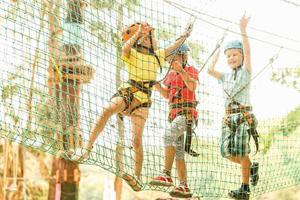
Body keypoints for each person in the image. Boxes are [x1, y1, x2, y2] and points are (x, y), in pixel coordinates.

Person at [74, 22, 194, 192]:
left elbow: (175, 46)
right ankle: (87, 148)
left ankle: (137, 177)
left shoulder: (158, 56)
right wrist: (138, 33)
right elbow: (124, 48)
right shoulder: (132, 53)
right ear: (137, 39)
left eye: (149, 36)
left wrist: (185, 34)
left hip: (143, 100)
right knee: (107, 110)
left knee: (136, 140)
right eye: (142, 37)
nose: (146, 39)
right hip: (128, 92)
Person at [207, 14, 259, 200]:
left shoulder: (246, 72)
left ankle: (244, 188)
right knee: (226, 153)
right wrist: (217, 51)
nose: (231, 58)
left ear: (242, 56)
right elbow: (210, 70)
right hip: (228, 118)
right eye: (228, 56)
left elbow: (248, 50)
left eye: (235, 54)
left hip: (243, 116)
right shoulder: (224, 77)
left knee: (242, 151)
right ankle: (251, 167)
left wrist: (243, 30)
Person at [149, 43, 198, 198]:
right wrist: (156, 85)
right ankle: (184, 186)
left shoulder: (190, 70)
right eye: (171, 59)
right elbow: (167, 95)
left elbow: (192, 86)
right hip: (174, 115)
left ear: (183, 56)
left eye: (174, 58)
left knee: (168, 136)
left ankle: (166, 174)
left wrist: (181, 71)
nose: (172, 62)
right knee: (178, 153)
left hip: (186, 114)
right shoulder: (170, 75)